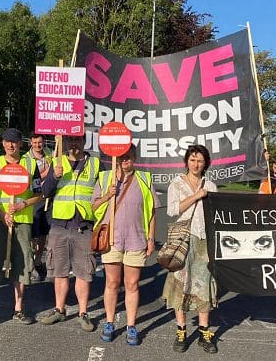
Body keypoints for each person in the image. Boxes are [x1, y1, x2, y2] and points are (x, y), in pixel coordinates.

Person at [91, 143, 159, 346]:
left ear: (135, 157)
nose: (125, 159)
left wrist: (151, 238)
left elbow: (152, 211)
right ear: (116, 158)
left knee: (132, 284)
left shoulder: (144, 179)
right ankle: (110, 322)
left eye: (129, 156)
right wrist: (107, 195)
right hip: (111, 239)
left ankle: (131, 325)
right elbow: (93, 206)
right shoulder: (105, 178)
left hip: (136, 238)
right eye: (121, 156)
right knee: (111, 283)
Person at [0, 128, 42, 325]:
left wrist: (23, 205)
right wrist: (1, 213)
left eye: (14, 141)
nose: (10, 145)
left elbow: (40, 193)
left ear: (21, 144)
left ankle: (18, 309)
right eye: (6, 141)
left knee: (21, 264)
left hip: (22, 221)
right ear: (2, 143)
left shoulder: (31, 165)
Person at [39, 134, 101, 331]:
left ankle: (83, 313)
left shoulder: (95, 164)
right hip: (59, 225)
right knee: (60, 271)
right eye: (70, 140)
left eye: (77, 140)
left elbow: (103, 192)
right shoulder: (57, 161)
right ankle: (59, 309)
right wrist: (54, 176)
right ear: (65, 142)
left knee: (84, 272)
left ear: (84, 142)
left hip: (84, 226)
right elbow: (45, 192)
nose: (73, 143)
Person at [161, 144, 219, 353]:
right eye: (192, 159)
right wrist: (196, 196)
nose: (196, 164)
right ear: (186, 162)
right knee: (180, 285)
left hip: (204, 241)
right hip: (183, 240)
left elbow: (216, 216)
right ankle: (181, 331)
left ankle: (204, 332)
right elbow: (172, 210)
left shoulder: (211, 186)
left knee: (204, 286)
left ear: (206, 163)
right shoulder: (176, 184)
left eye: (200, 160)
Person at [22, 133, 52, 280]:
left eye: (39, 142)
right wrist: (48, 171)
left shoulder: (50, 154)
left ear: (44, 142)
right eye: (34, 143)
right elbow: (32, 178)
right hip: (33, 199)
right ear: (30, 143)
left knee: (43, 233)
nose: (37, 145)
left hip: (48, 198)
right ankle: (29, 263)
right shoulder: (26, 159)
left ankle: (38, 260)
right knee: (31, 234)